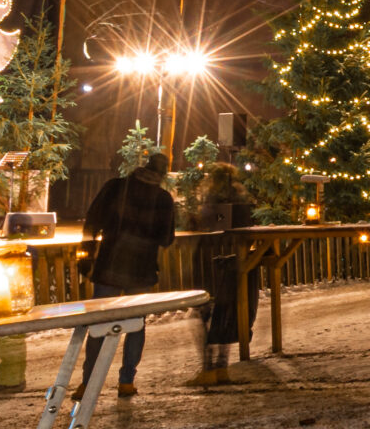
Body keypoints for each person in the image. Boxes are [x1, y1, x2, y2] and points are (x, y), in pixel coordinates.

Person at [76, 151, 176, 398]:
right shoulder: (163, 199)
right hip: (141, 271)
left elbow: (91, 223)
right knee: (135, 325)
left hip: (109, 265)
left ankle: (88, 383)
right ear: (162, 174)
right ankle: (126, 381)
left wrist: (86, 256)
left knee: (100, 324)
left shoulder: (115, 187)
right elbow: (166, 239)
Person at [189, 164, 254, 387]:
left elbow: (202, 225)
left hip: (208, 259)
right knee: (225, 313)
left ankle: (208, 368)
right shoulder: (241, 199)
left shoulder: (211, 201)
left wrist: (195, 221)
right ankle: (222, 367)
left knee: (203, 314)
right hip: (233, 258)